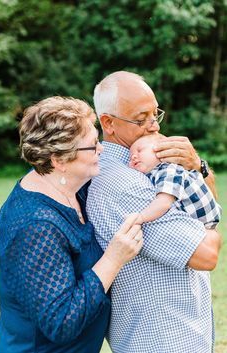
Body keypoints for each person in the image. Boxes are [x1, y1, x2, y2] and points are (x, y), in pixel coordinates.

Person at [0, 96, 143, 353]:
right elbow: (61, 323)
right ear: (58, 160)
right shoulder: (35, 226)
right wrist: (113, 259)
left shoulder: (71, 188)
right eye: (92, 146)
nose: (101, 150)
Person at [86, 71, 221, 353]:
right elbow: (207, 254)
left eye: (155, 114)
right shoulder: (122, 182)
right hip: (162, 339)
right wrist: (210, 230)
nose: (153, 126)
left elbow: (209, 208)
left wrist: (198, 168)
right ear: (108, 123)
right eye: (140, 118)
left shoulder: (153, 166)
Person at [129, 134, 222, 229]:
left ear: (162, 151)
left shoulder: (169, 170)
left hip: (205, 220)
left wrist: (141, 217)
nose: (133, 157)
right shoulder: (154, 173)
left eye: (139, 151)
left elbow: (164, 202)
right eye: (131, 156)